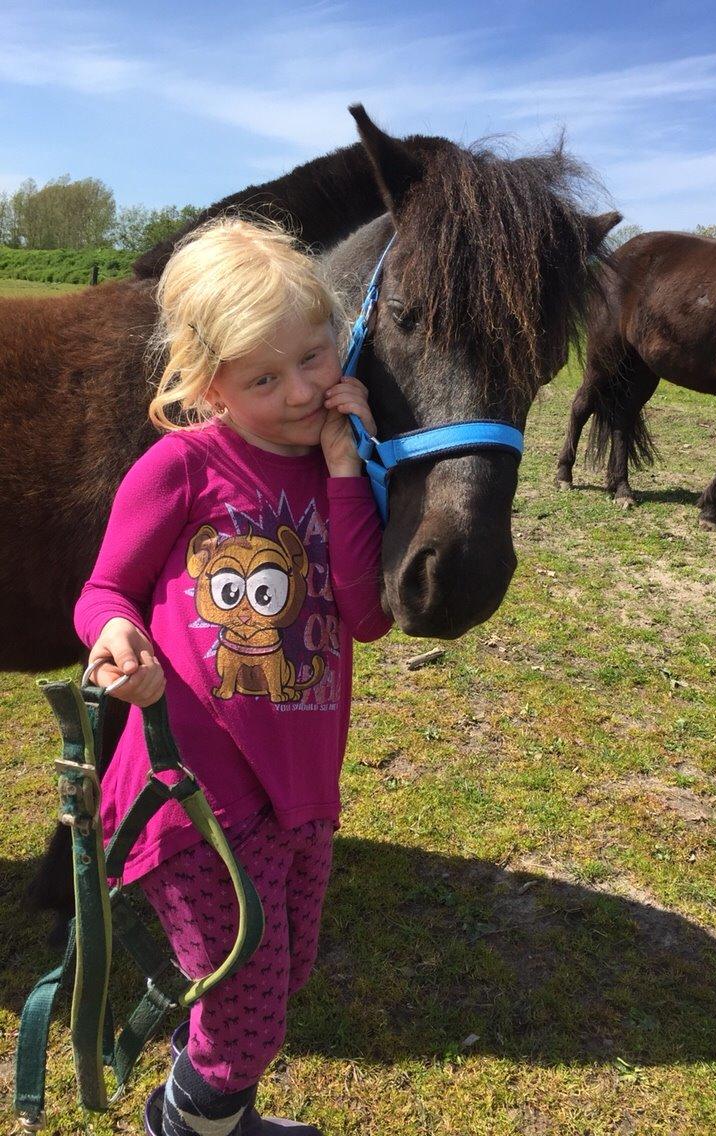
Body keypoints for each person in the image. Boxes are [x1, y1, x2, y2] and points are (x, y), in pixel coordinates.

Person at [74, 216, 392, 1136]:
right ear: (210, 383)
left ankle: (205, 1109)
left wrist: (343, 469)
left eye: (315, 355)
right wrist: (118, 635)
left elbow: (366, 617)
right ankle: (190, 1125)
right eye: (263, 378)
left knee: (275, 979)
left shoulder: (347, 466)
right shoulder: (182, 466)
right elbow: (104, 588)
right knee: (246, 1021)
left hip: (303, 785)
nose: (300, 390)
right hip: (191, 793)